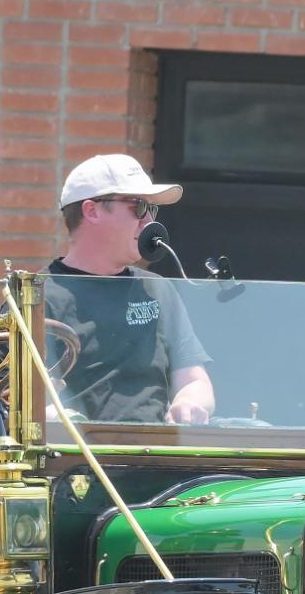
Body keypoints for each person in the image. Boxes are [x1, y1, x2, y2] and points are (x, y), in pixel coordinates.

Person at [45, 154, 215, 425]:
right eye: (138, 207)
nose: (148, 220)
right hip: (77, 460)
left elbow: (194, 380)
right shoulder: (36, 296)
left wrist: (189, 403)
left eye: (151, 209)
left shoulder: (158, 289)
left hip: (159, 457)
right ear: (92, 211)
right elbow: (19, 404)